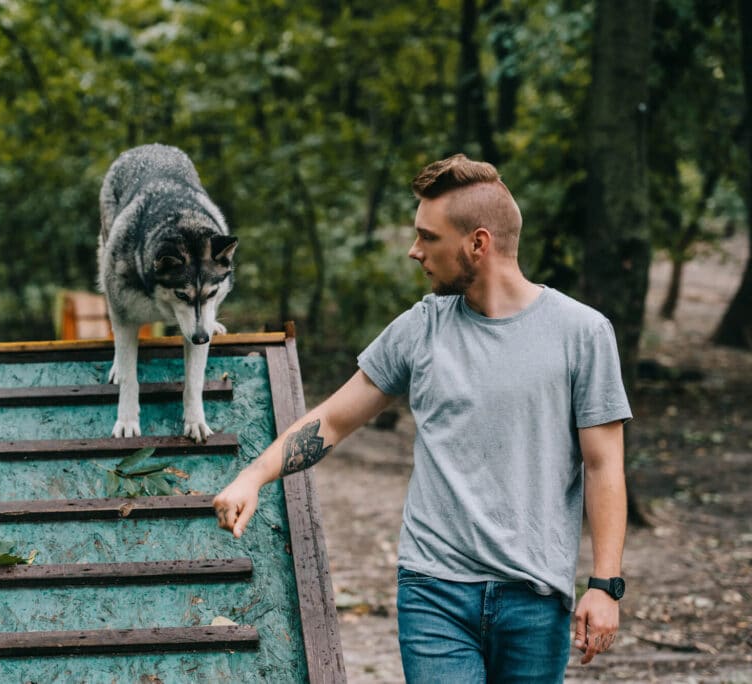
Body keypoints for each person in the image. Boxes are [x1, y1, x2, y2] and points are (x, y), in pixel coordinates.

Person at [213, 153, 631, 682]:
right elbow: (334, 421)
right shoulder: (421, 328)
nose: (414, 251)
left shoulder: (583, 333)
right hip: (433, 594)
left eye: (427, 237)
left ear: (477, 243)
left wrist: (605, 584)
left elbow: (604, 466)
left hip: (535, 598)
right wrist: (255, 475)